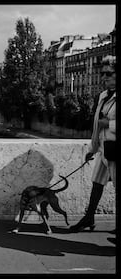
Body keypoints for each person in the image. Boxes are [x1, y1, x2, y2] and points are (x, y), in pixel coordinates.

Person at [70, 55, 116, 233]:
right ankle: (89, 217)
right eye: (102, 73)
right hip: (104, 149)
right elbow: (97, 125)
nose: (104, 77)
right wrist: (92, 149)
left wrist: (110, 124)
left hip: (116, 150)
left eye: (108, 73)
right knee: (97, 182)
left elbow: (104, 124)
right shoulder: (103, 96)